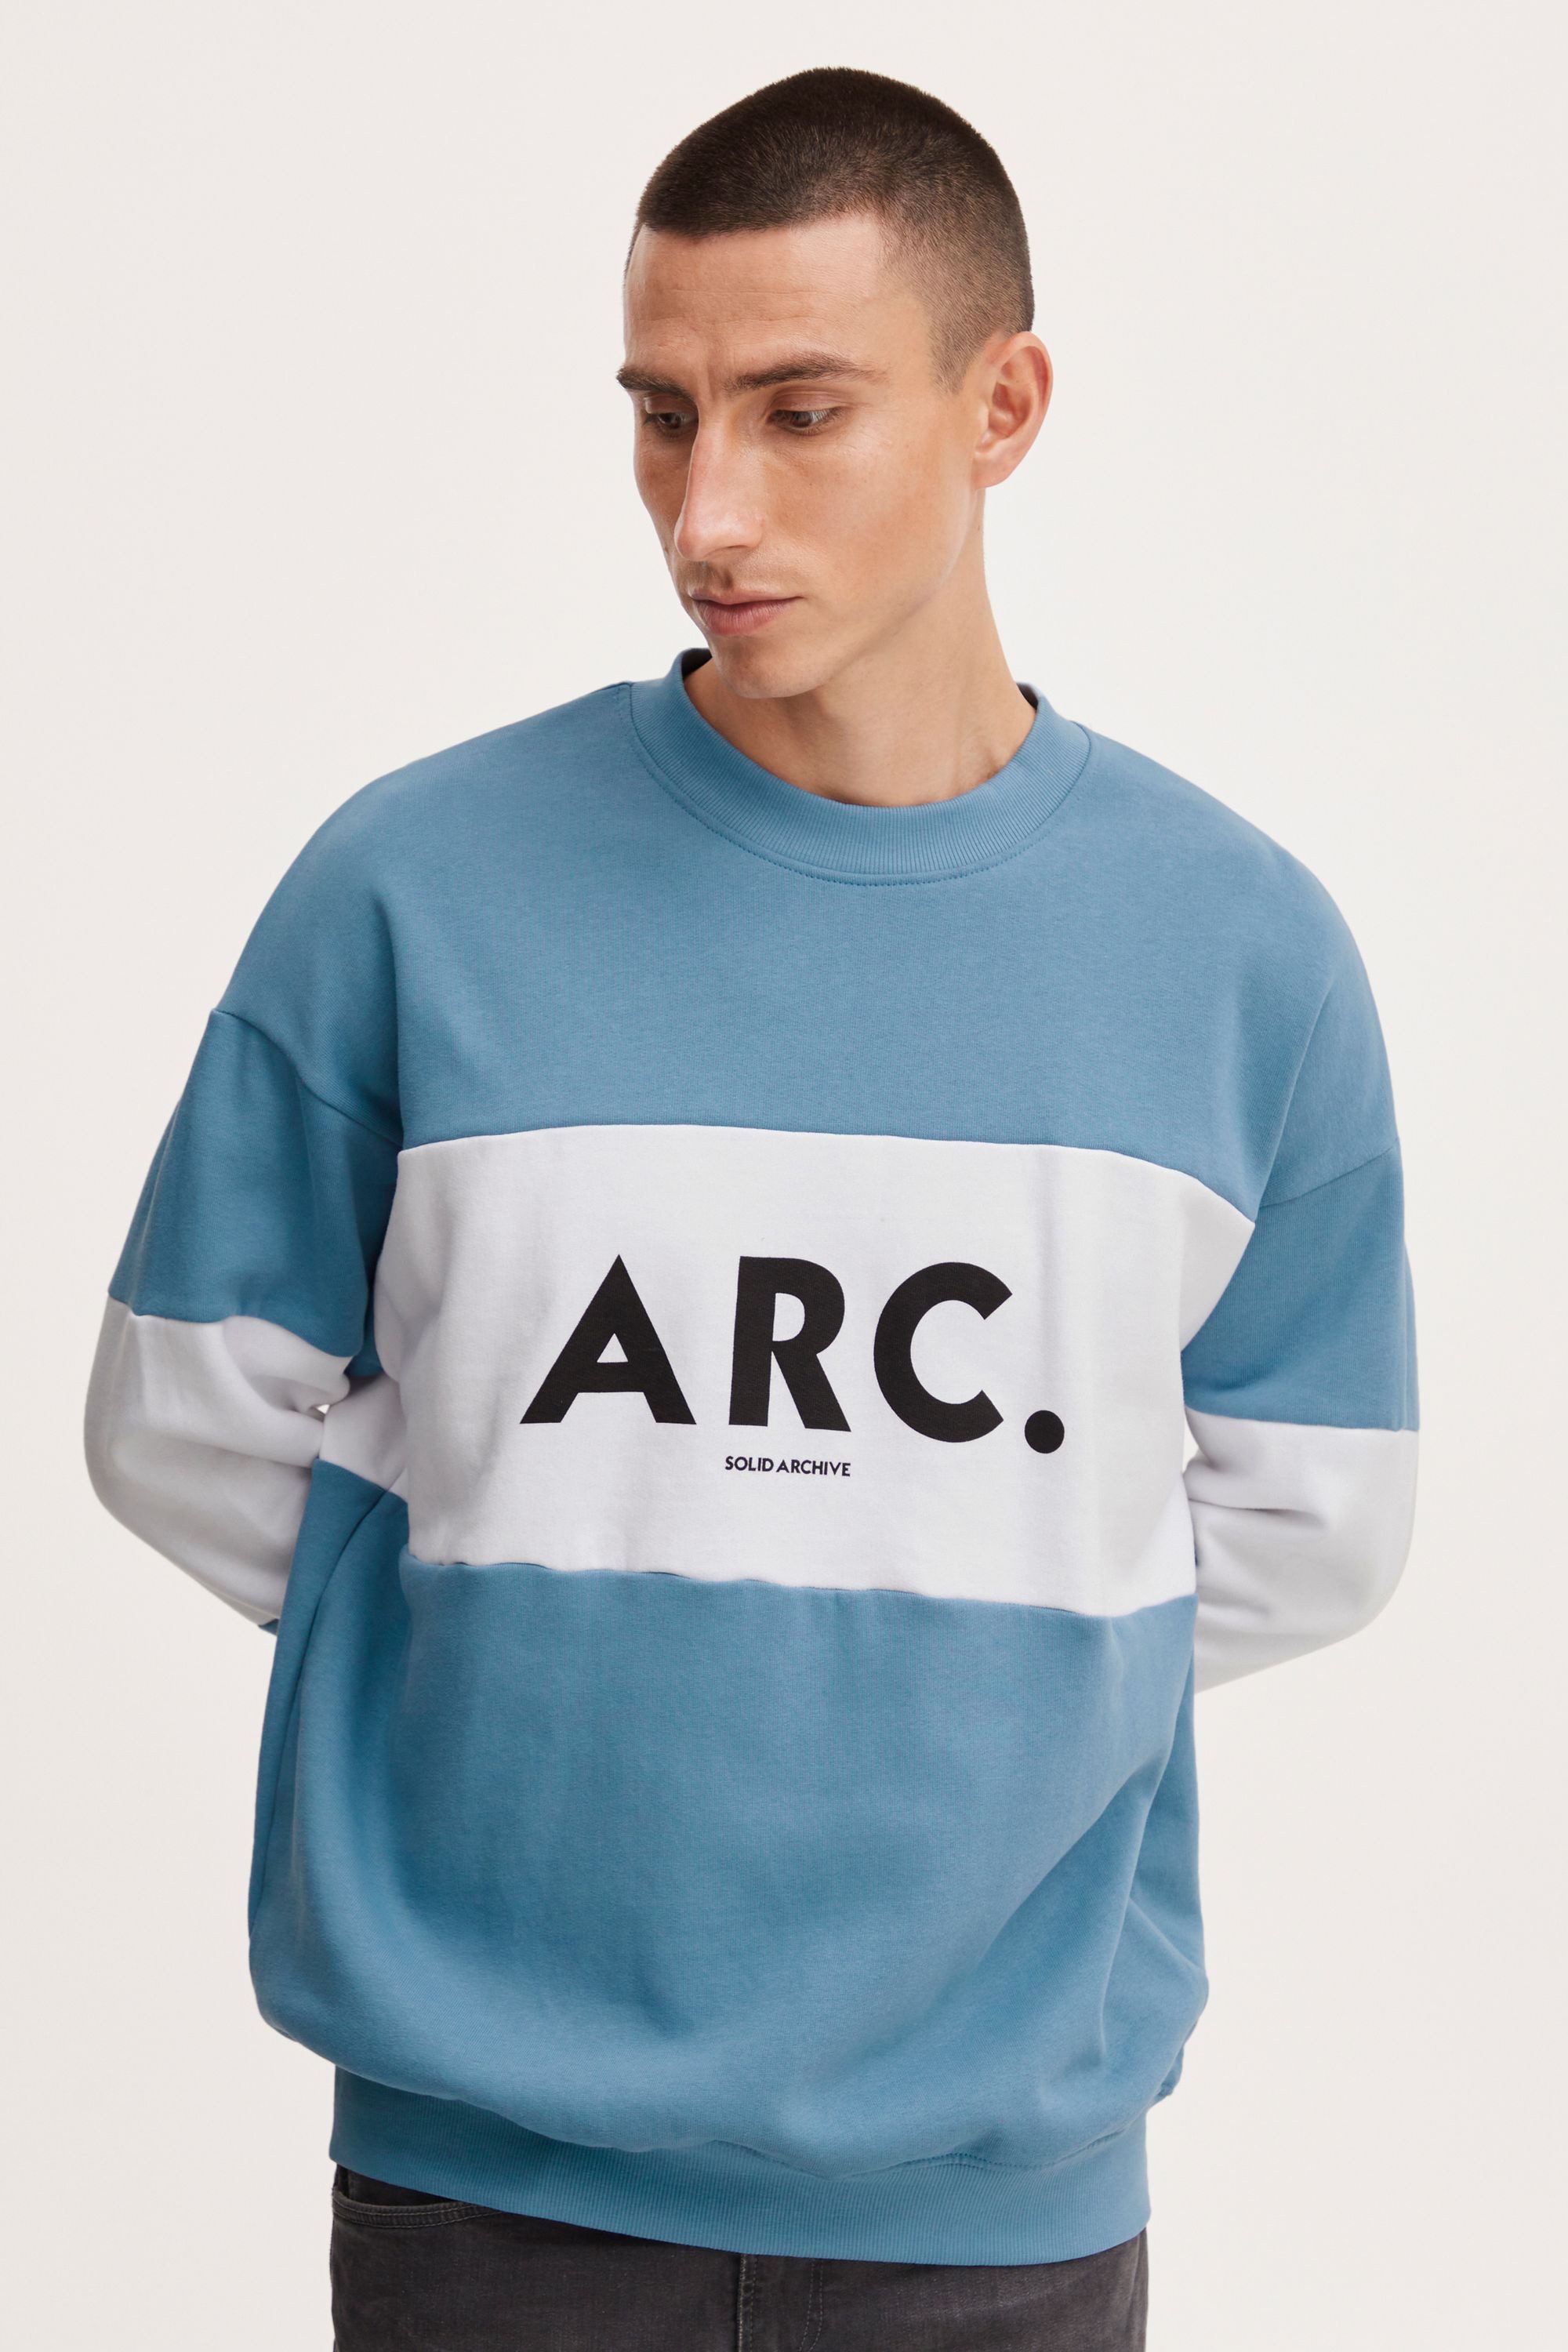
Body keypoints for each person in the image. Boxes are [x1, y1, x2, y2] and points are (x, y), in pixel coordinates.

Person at [84, 65, 1419, 2352]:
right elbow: (181, 1420)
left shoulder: (1239, 954)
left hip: (995, 2210)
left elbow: (1316, 1517)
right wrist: (534, 1630)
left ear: (1002, 407)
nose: (709, 507)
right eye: (662, 415)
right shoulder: (412, 888)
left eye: (802, 414)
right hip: (483, 2190)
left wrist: (933, 1655)